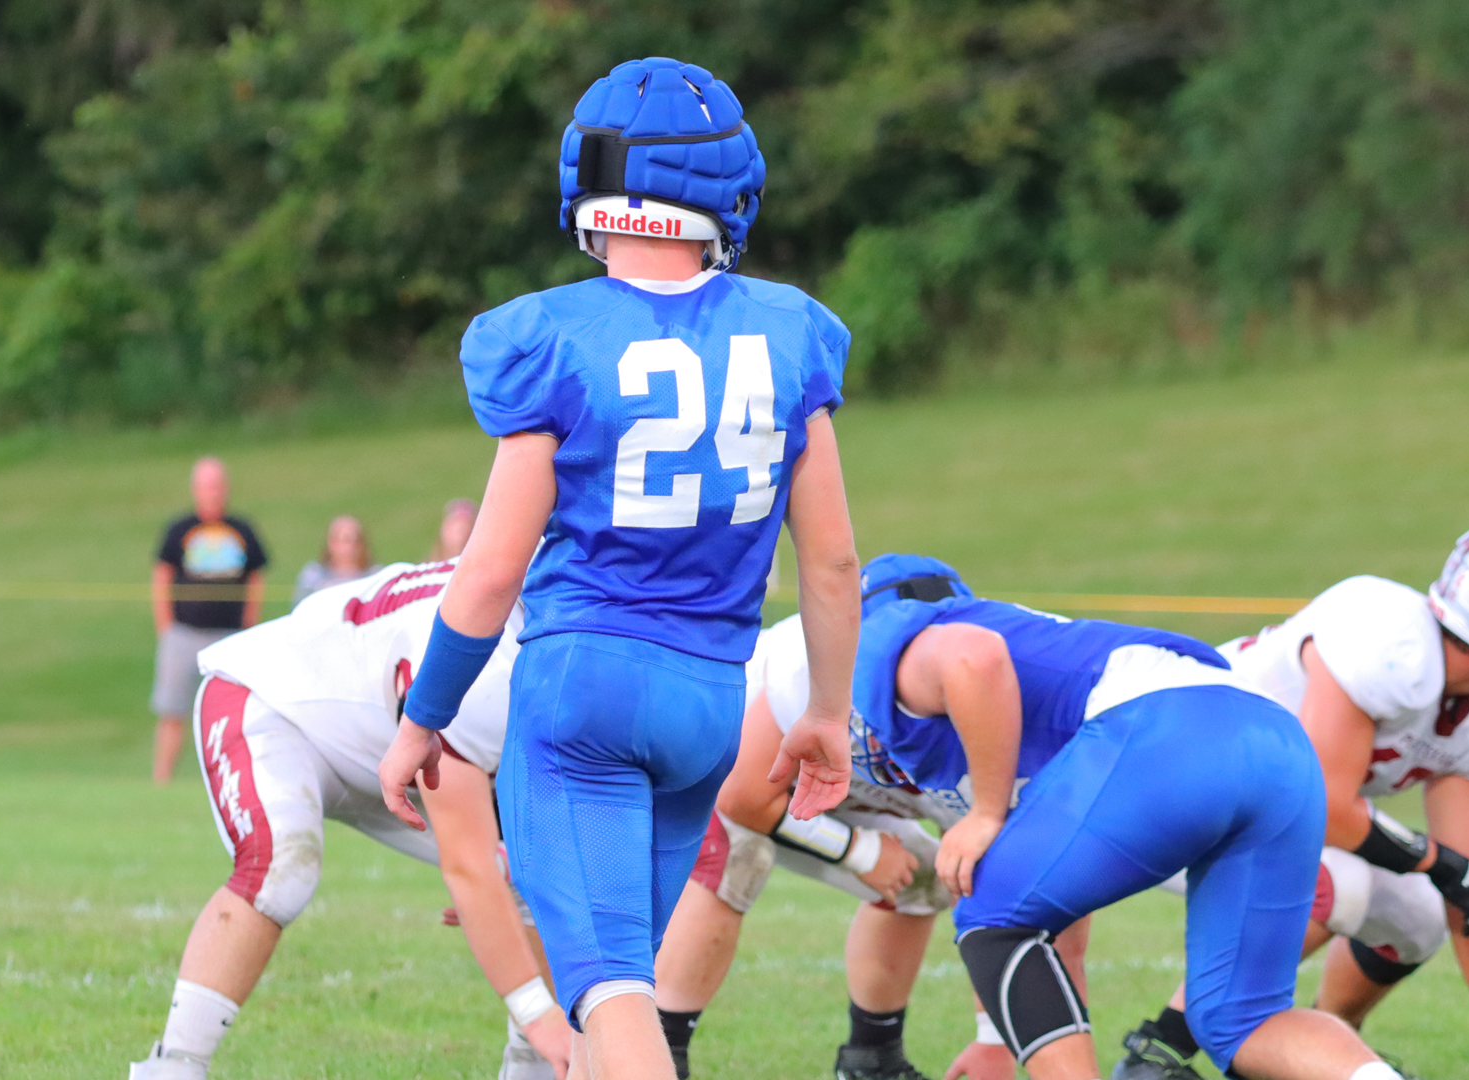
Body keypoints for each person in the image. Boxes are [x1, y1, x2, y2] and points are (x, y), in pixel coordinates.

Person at [377, 58, 863, 1080]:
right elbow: (831, 560)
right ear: (730, 188)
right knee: (613, 998)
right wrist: (824, 706)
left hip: (585, 691)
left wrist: (424, 720)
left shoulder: (552, 337)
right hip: (708, 704)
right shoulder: (788, 333)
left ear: (587, 182)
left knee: (613, 996)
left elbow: (491, 568)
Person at [846, 554, 1406, 1080]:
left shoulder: (899, 632)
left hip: (1171, 731)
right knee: (1242, 1020)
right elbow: (1054, 915)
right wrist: (998, 1038)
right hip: (1278, 745)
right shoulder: (1036, 642)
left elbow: (973, 657)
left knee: (989, 908)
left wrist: (988, 812)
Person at [1113, 519, 1469, 1080]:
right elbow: (1326, 808)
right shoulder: (1389, 638)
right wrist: (1437, 862)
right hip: (1172, 777)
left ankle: (1323, 1043)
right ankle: (1157, 1052)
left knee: (1417, 918)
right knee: (1333, 884)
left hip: (1261, 816)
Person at [130, 558, 572, 1080]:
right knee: (281, 868)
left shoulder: (537, 628)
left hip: (390, 755)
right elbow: (469, 868)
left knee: (535, 878)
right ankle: (171, 1070)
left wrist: (509, 870)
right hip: (275, 705)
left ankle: (542, 1069)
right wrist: (538, 1012)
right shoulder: (483, 660)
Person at [653, 611, 1094, 1080]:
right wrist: (859, 852)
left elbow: (1009, 901)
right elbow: (742, 797)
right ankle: (660, 1053)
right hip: (734, 761)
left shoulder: (1002, 765)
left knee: (924, 879)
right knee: (740, 859)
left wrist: (993, 1040)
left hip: (833, 791)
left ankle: (872, 1057)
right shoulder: (823, 675)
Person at [150, 457, 268, 784]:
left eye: (217, 486)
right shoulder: (180, 530)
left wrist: (249, 625)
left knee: (234, 713)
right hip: (184, 634)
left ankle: (233, 782)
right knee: (172, 710)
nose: (212, 493)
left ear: (225, 489)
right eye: (206, 486)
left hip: (229, 636)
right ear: (196, 490)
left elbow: (255, 577)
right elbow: (162, 576)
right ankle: (161, 781)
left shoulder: (241, 530)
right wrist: (165, 626)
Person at [291, 514, 374, 604]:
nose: (351, 547)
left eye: (357, 540)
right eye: (346, 540)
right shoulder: (313, 576)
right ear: (332, 543)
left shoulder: (375, 575)